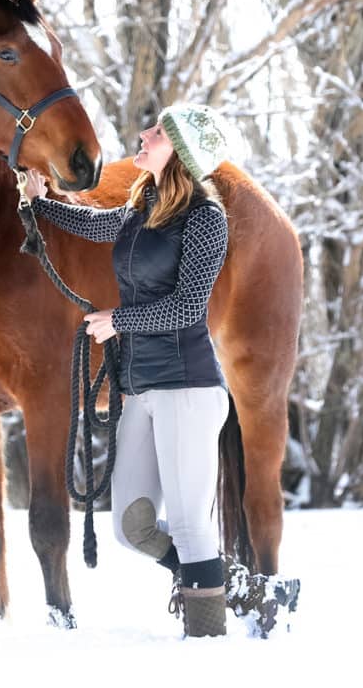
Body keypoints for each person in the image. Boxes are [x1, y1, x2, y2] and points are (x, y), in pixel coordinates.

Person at [24, 103, 236, 638]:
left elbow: (190, 307)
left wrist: (118, 320)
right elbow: (97, 225)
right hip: (140, 389)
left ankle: (209, 639)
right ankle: (216, 581)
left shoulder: (206, 218)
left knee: (189, 525)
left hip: (187, 386)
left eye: (159, 133)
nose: (145, 134)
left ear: (182, 154)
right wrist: (42, 203)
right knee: (129, 527)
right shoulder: (143, 205)